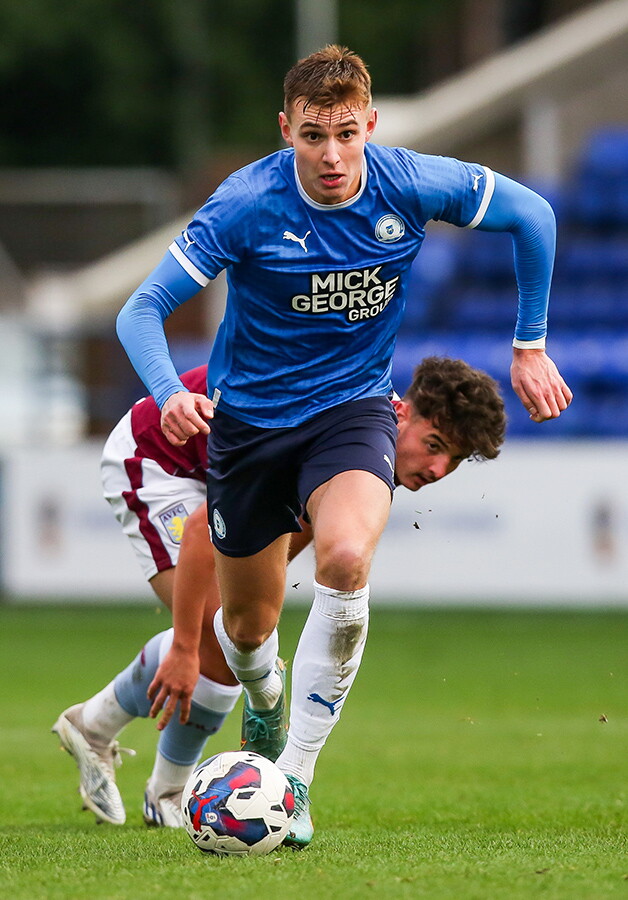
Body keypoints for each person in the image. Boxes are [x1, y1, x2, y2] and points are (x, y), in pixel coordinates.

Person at [113, 45, 572, 848]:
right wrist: (170, 394)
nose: (332, 156)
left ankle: (294, 779)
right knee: (248, 632)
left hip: (352, 411)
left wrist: (529, 343)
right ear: (285, 129)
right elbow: (140, 310)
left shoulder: (407, 181)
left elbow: (534, 215)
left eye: (348, 134)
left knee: (347, 558)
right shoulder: (244, 203)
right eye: (314, 136)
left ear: (372, 126)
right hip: (250, 429)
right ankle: (263, 706)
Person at [52, 357, 506, 832]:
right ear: (403, 413)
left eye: (454, 460)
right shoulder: (349, 432)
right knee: (216, 636)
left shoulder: (366, 451)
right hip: (157, 458)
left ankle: (95, 728)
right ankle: (165, 790)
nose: (437, 468)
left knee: (232, 632)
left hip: (215, 470)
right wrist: (185, 646)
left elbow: (280, 538)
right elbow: (203, 534)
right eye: (434, 446)